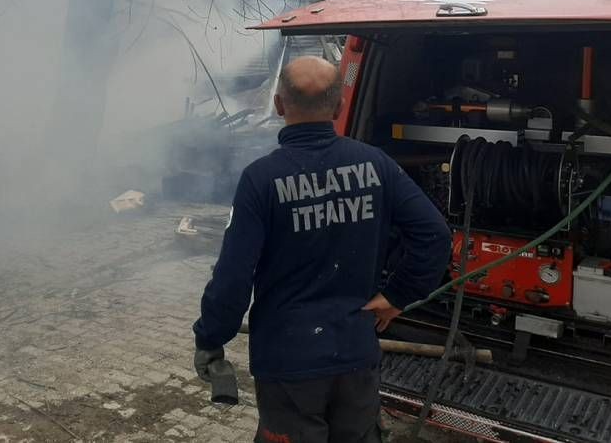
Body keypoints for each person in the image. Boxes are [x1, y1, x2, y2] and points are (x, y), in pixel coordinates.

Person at [192, 56, 451, 443]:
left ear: (279, 106)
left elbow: (233, 276)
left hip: (288, 362)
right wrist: (398, 295)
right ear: (339, 106)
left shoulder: (260, 180)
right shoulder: (375, 164)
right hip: (356, 354)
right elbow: (435, 235)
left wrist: (211, 337)